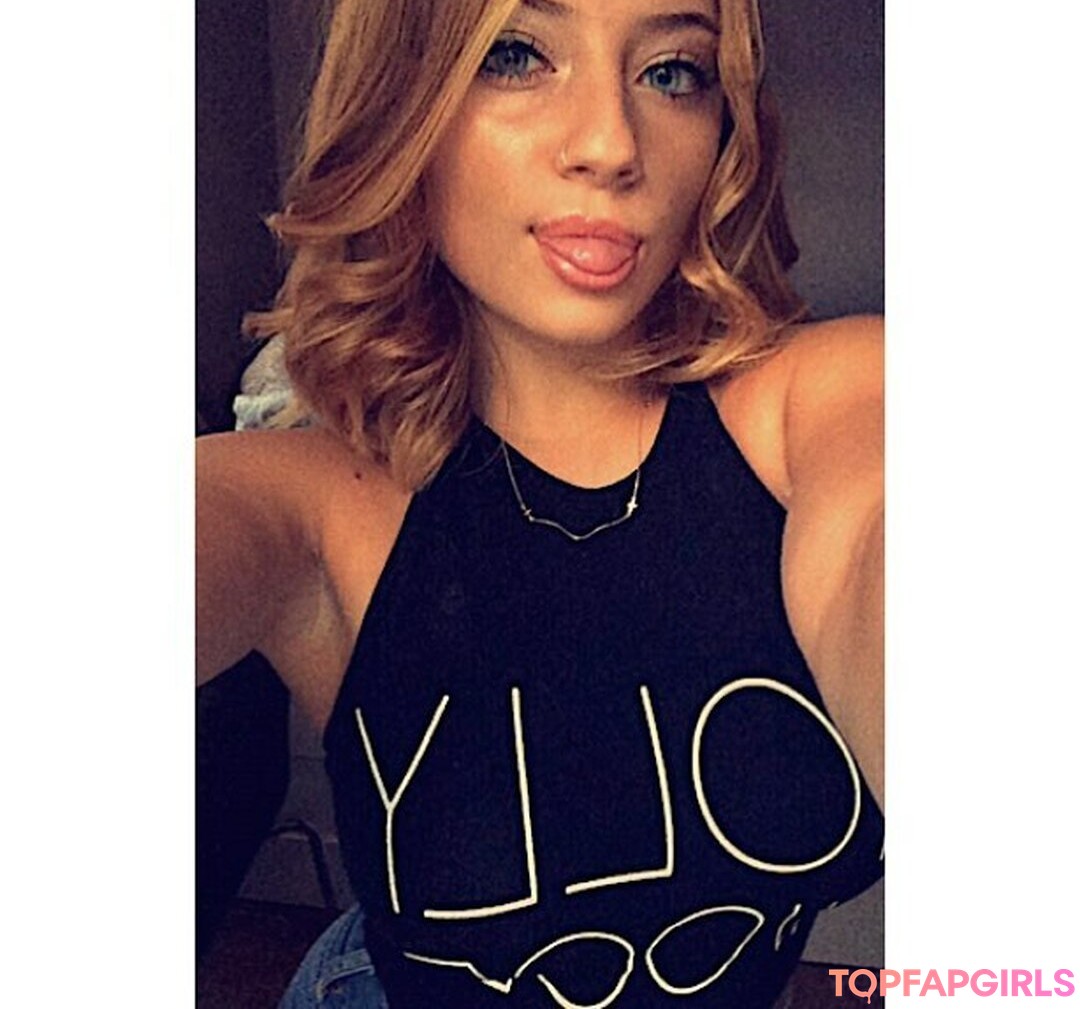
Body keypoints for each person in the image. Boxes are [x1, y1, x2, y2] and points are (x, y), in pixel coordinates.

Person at [197, 0, 884, 1004]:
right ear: (405, 105)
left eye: (673, 71)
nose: (611, 145)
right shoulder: (312, 502)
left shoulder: (840, 399)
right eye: (516, 55)